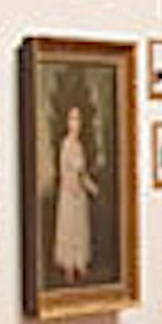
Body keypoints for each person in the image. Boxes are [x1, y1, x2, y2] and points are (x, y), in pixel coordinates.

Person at [50, 95, 99, 284]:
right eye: (72, 119)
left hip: (79, 195)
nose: (76, 123)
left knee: (80, 230)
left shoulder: (79, 145)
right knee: (69, 229)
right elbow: (66, 171)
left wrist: (90, 187)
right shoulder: (66, 144)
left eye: (78, 119)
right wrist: (74, 187)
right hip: (69, 194)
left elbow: (82, 172)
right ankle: (68, 266)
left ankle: (80, 263)